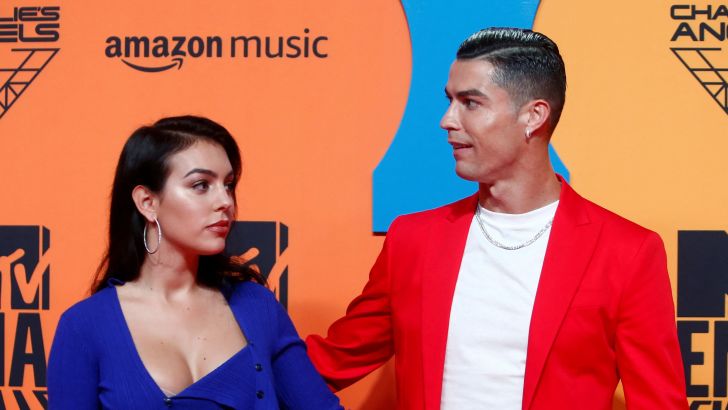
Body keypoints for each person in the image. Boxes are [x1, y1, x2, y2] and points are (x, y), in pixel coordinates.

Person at [306, 28, 688, 409]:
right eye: (450, 100)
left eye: (471, 103)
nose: (447, 120)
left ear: (533, 116)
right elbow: (329, 363)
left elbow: (658, 401)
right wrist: (264, 330)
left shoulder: (626, 252)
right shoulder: (413, 240)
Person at [48, 116, 342, 410]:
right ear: (148, 202)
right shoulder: (84, 326)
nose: (225, 201)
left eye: (228, 185)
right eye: (201, 185)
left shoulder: (257, 306)